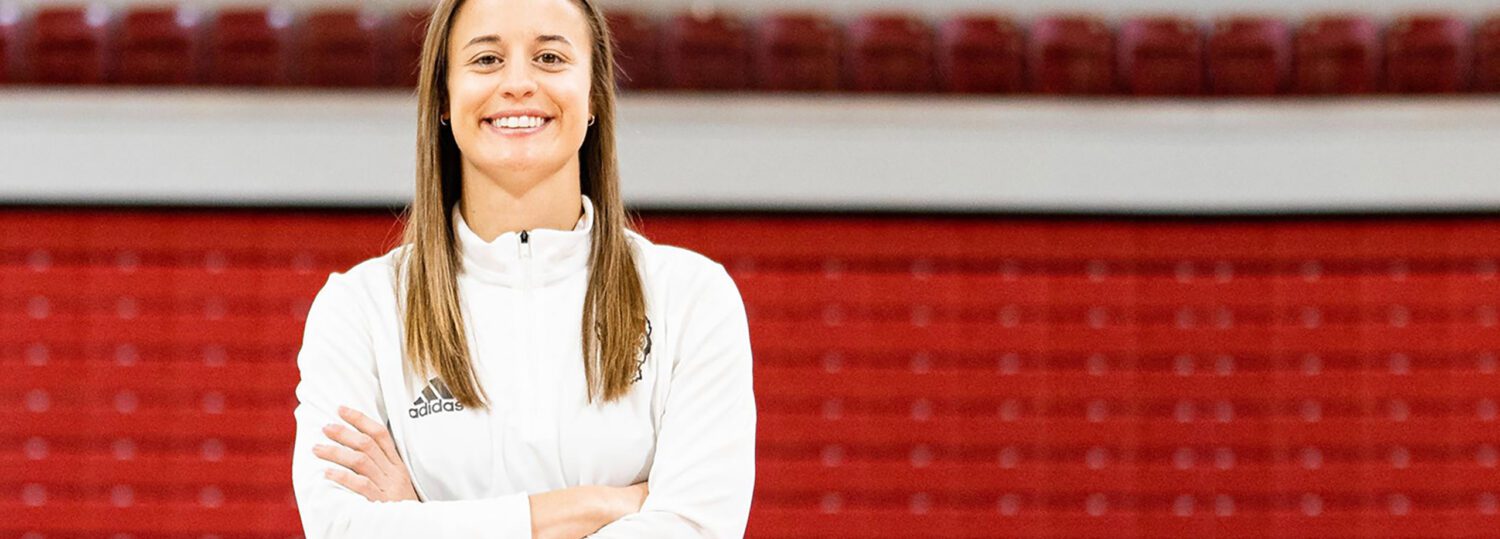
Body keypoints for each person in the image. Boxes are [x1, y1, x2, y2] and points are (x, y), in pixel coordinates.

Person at [288, 0, 757, 537]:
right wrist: (595, 506)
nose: (517, 83)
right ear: (444, 96)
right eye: (486, 60)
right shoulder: (360, 311)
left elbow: (696, 528)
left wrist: (422, 518)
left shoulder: (692, 300)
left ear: (594, 96)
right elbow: (342, 528)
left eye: (550, 58)